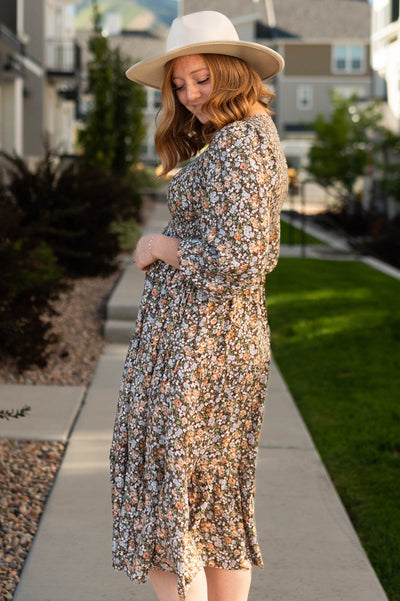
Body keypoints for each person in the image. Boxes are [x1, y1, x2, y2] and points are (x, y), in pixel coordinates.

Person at [110, 10, 288, 601]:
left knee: (172, 496)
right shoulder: (241, 137)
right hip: (206, 343)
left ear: (232, 72)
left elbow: (243, 256)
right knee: (211, 506)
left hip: (203, 349)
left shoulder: (244, 140)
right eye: (179, 85)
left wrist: (162, 245)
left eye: (201, 79)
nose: (189, 96)